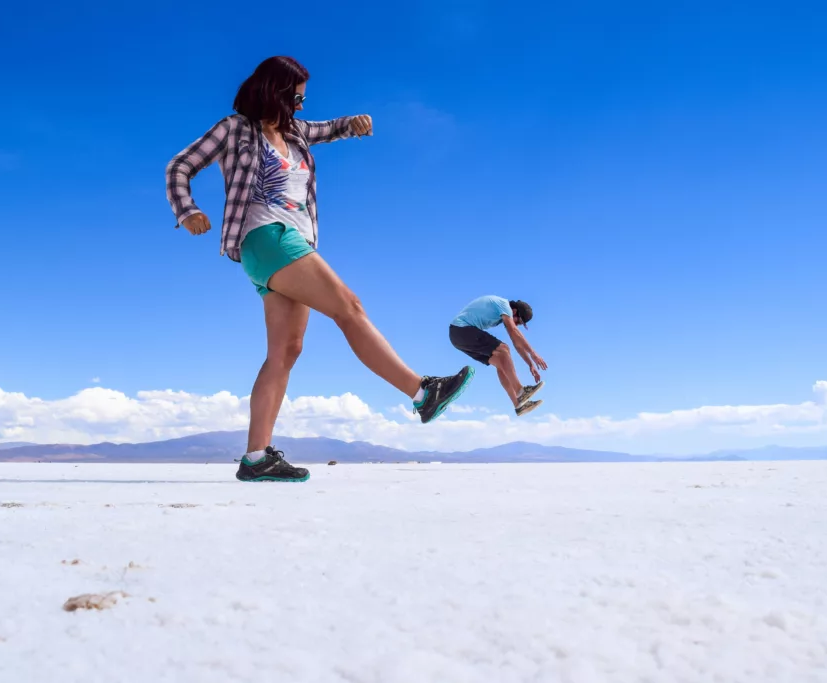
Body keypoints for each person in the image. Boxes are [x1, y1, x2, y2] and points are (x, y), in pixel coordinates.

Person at [165, 56, 474, 482]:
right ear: (276, 91)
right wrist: (188, 212)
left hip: (292, 242)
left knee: (285, 353)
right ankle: (422, 392)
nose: (302, 106)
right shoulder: (234, 128)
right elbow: (180, 166)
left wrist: (356, 123)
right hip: (266, 236)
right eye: (297, 96)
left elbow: (329, 128)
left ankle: (256, 459)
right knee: (349, 306)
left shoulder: (295, 133)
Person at [449, 296, 547, 416]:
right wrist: (534, 354)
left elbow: (516, 342)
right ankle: (521, 391)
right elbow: (514, 331)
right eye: (519, 322)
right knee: (504, 349)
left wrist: (530, 363)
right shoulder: (504, 305)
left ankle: (518, 405)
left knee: (501, 361)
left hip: (458, 337)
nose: (518, 325)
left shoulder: (502, 315)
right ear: (514, 311)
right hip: (461, 329)